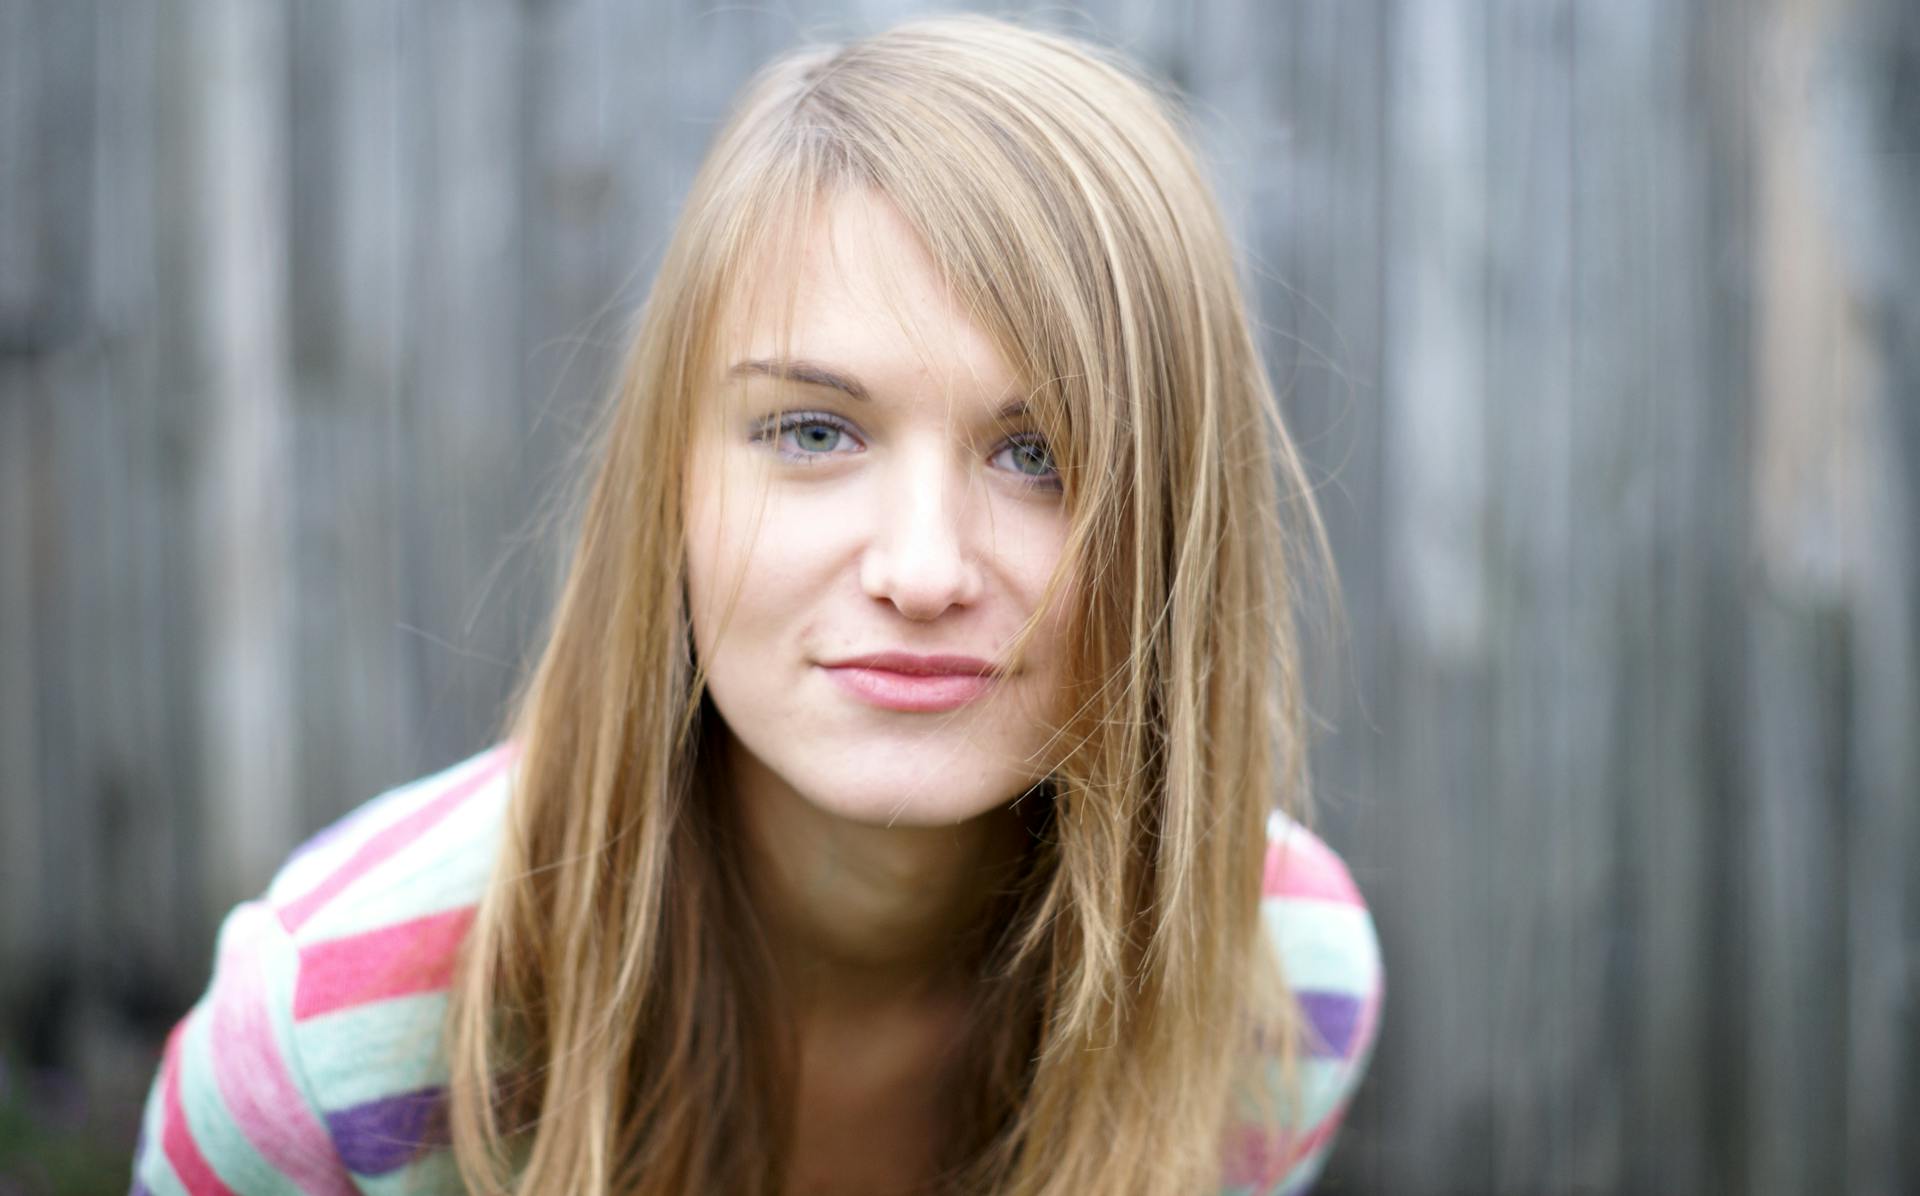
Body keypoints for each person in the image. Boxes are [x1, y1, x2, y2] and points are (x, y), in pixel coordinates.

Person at [130, 14, 1382, 1195]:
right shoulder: (327, 1040)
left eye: (1042, 452)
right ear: (671, 487)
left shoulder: (1278, 986)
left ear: (1177, 522)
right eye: (814, 429)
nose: (924, 566)